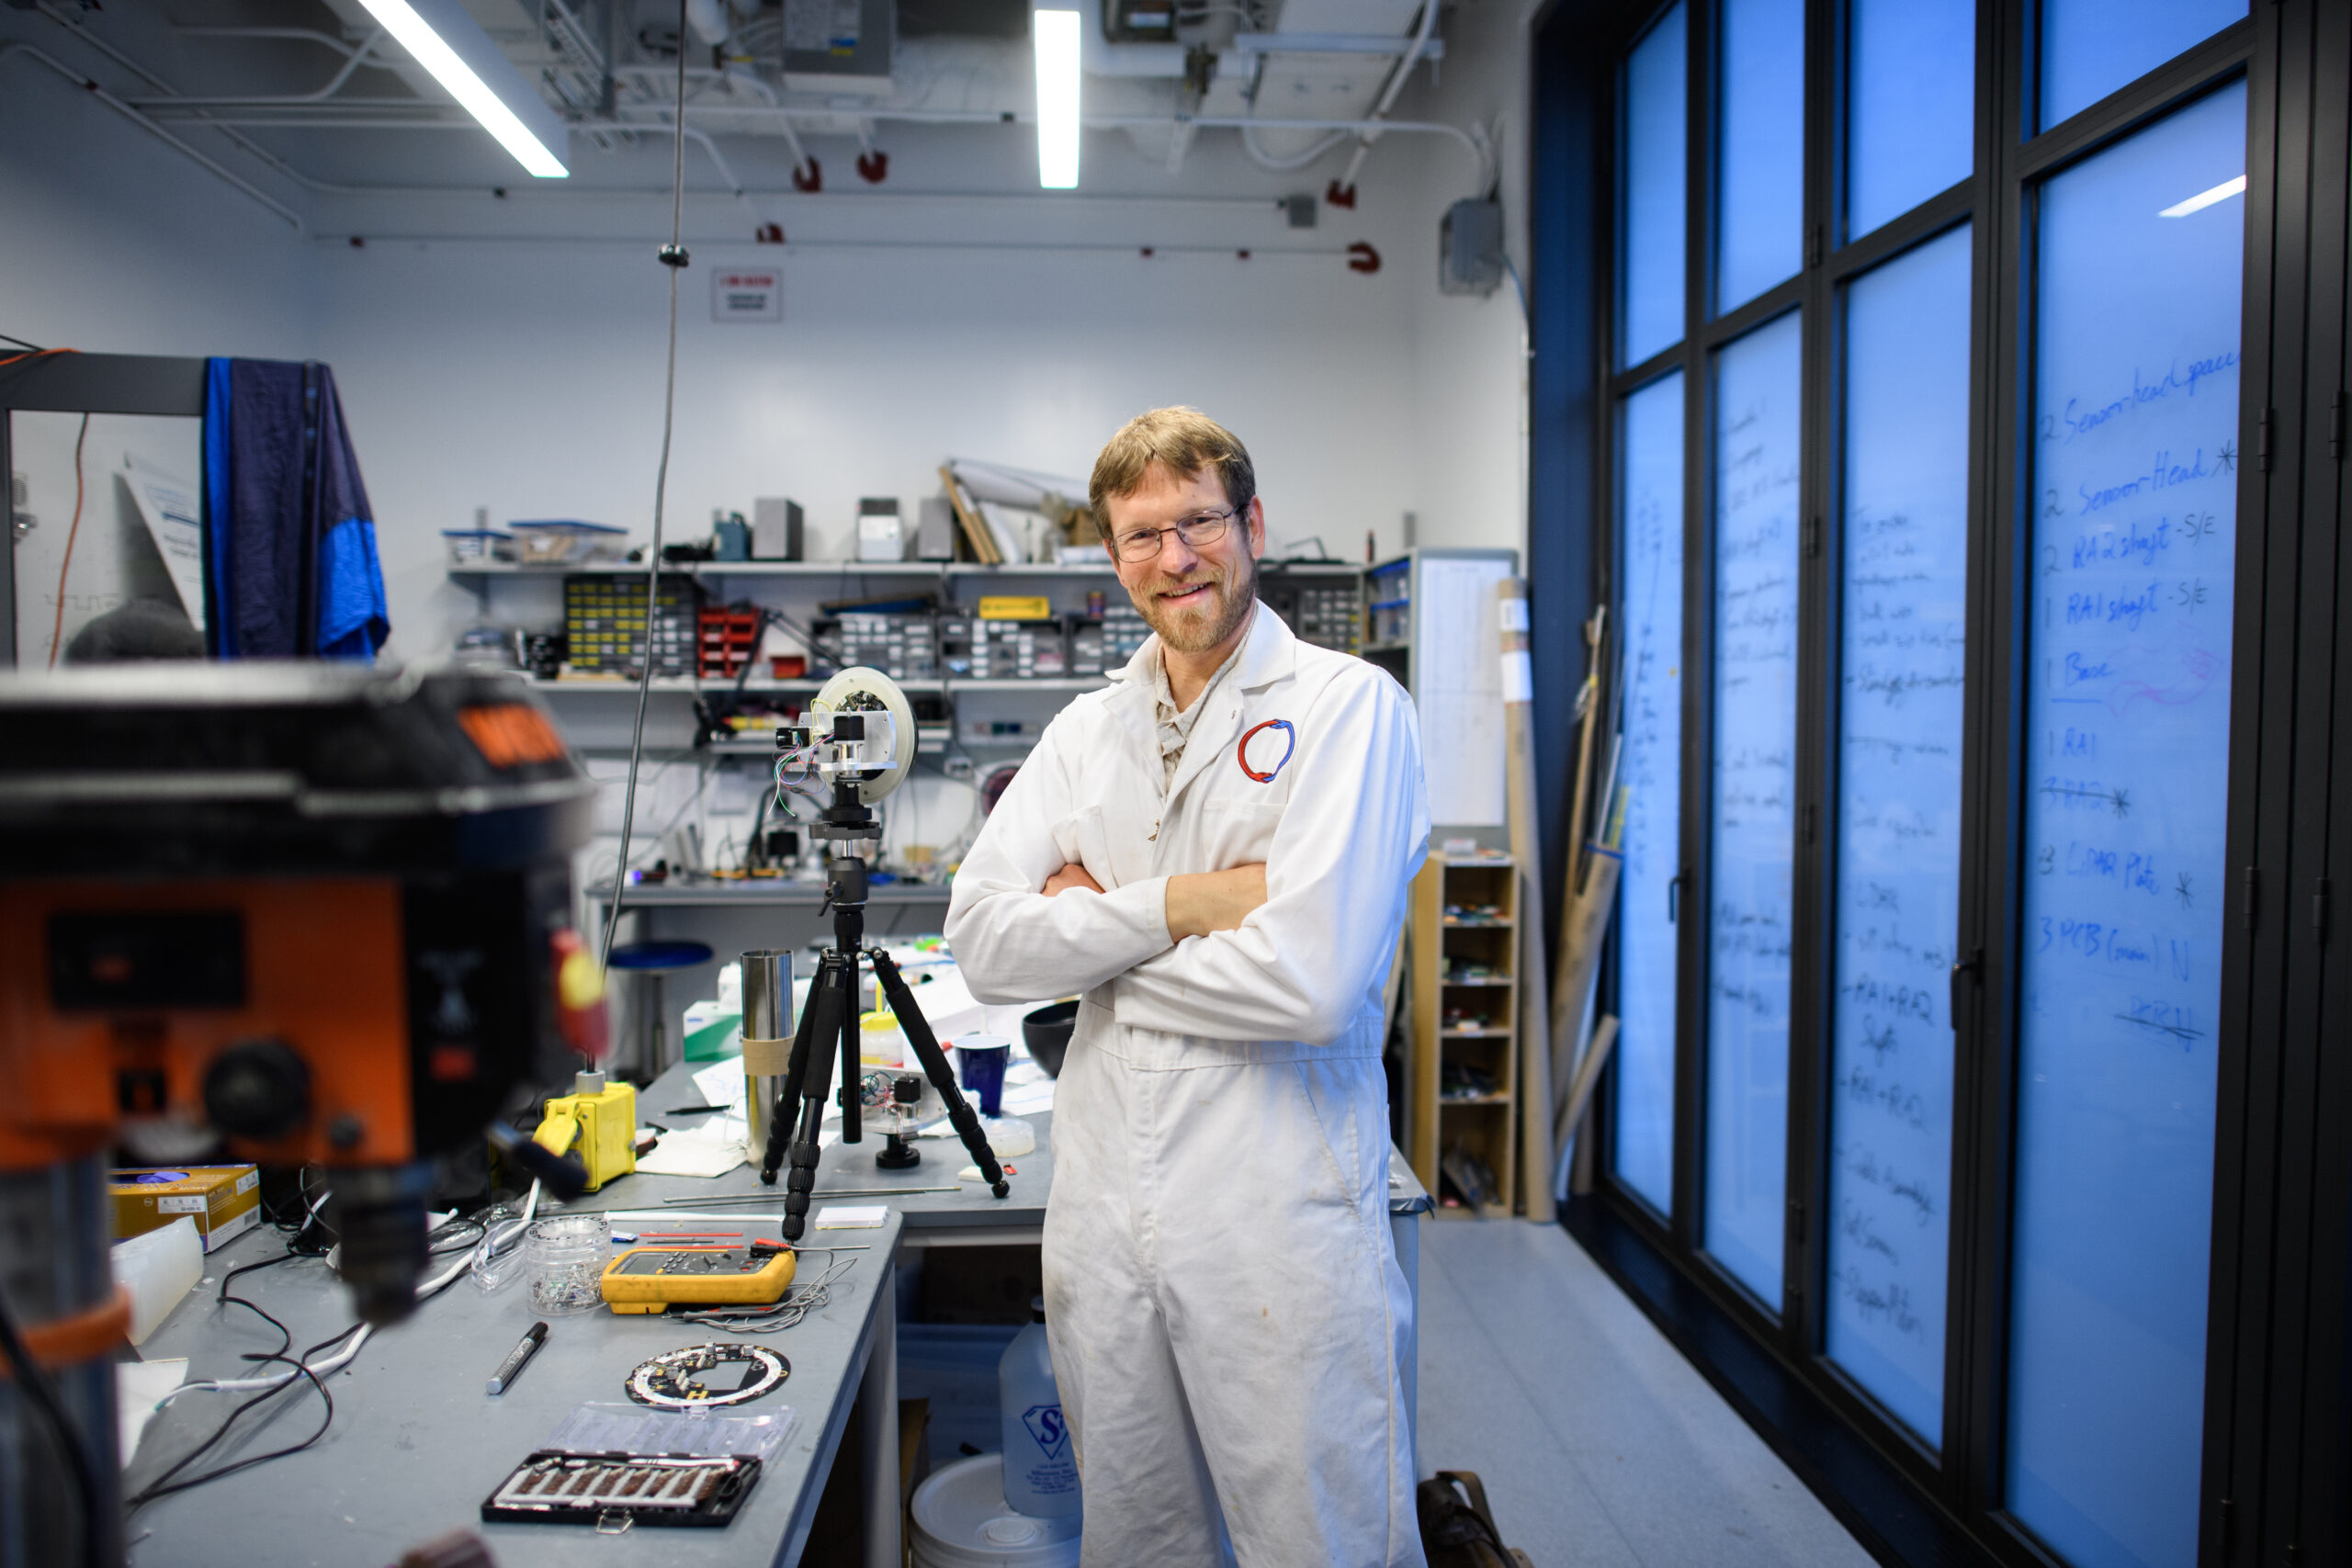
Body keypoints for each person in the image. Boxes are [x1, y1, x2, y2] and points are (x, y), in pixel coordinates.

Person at [944, 407, 1430, 1567]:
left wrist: (1089, 944)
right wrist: (1182, 905)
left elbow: (1307, 982)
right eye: (1140, 536)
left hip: (1275, 1210)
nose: (1175, 560)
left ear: (1250, 524)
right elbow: (981, 946)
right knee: (1137, 1534)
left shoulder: (1348, 711)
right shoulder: (1082, 732)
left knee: (1316, 1533)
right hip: (1106, 1211)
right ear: (1111, 557)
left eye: (1199, 522)